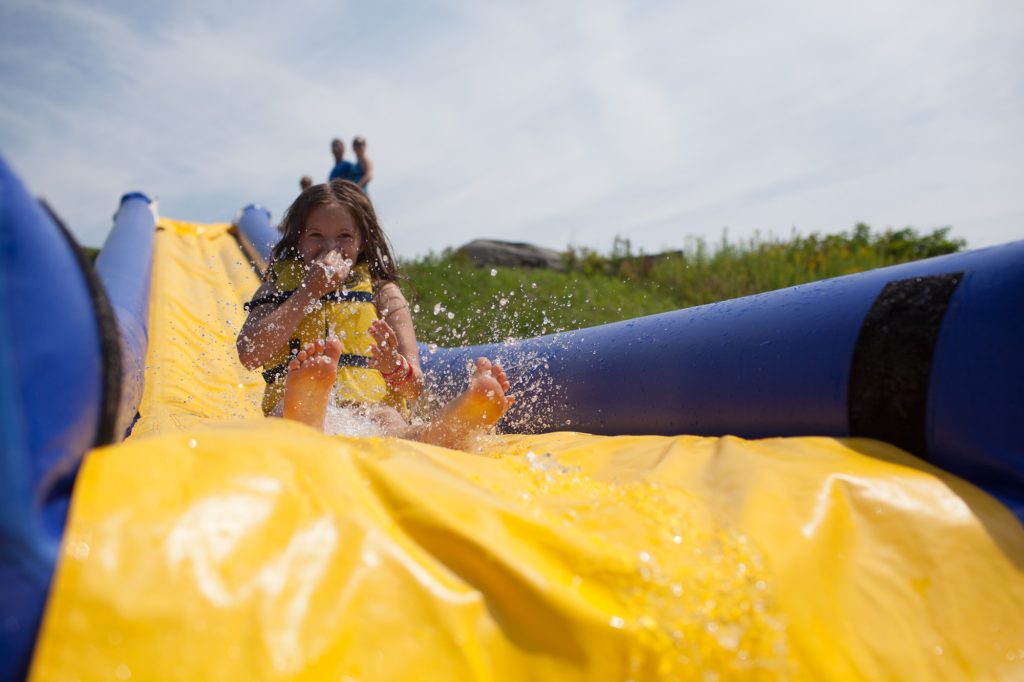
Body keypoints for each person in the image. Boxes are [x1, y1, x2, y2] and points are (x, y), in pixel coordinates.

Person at [236, 180, 514, 448]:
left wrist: (396, 367)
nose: (331, 248)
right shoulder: (276, 288)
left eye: (344, 236)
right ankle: (308, 404)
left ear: (362, 241)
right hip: (293, 405)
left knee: (391, 422)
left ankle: (457, 424)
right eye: (316, 235)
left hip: (369, 413)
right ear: (298, 239)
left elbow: (414, 388)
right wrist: (308, 291)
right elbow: (250, 356)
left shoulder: (383, 292)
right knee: (286, 409)